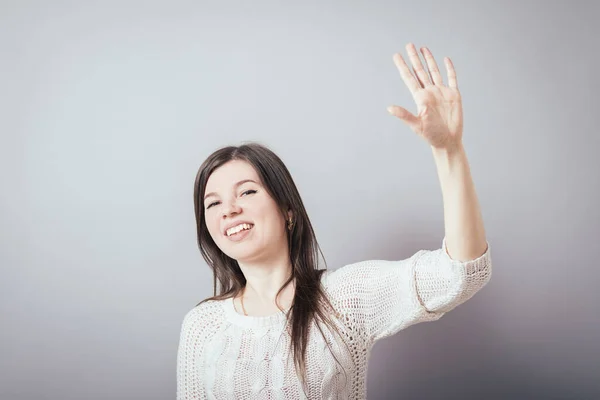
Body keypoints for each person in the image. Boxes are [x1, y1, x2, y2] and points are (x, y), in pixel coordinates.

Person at [176, 43, 492, 399]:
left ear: (287, 211)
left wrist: (448, 151)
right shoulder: (202, 326)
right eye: (212, 203)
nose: (229, 209)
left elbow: (462, 273)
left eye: (247, 192)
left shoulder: (343, 299)